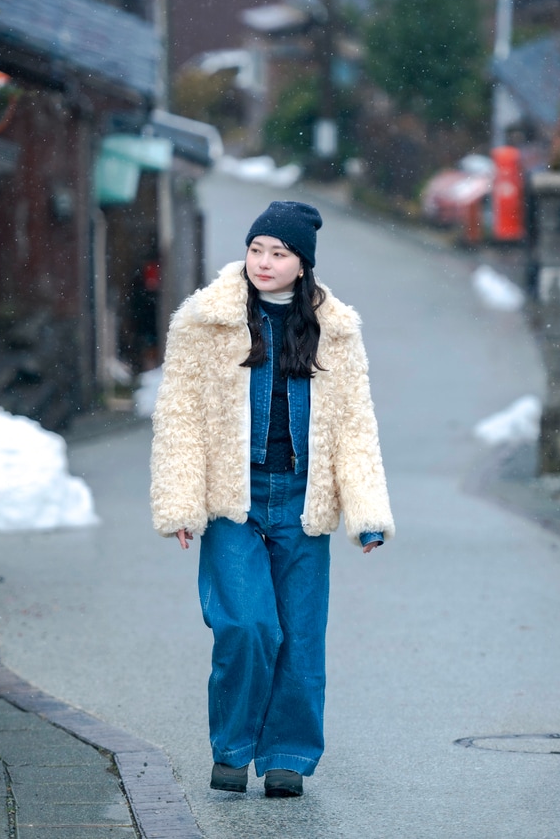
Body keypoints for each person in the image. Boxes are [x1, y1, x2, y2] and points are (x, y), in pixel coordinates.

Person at [150, 200, 394, 799]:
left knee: (302, 636)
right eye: (256, 248)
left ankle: (286, 754)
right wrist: (180, 503)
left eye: (278, 253)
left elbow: (355, 424)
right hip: (234, 499)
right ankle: (232, 747)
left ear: (302, 263)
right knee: (247, 625)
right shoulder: (203, 322)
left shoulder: (336, 330)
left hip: (304, 498)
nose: (263, 261)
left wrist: (365, 512)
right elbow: (178, 416)